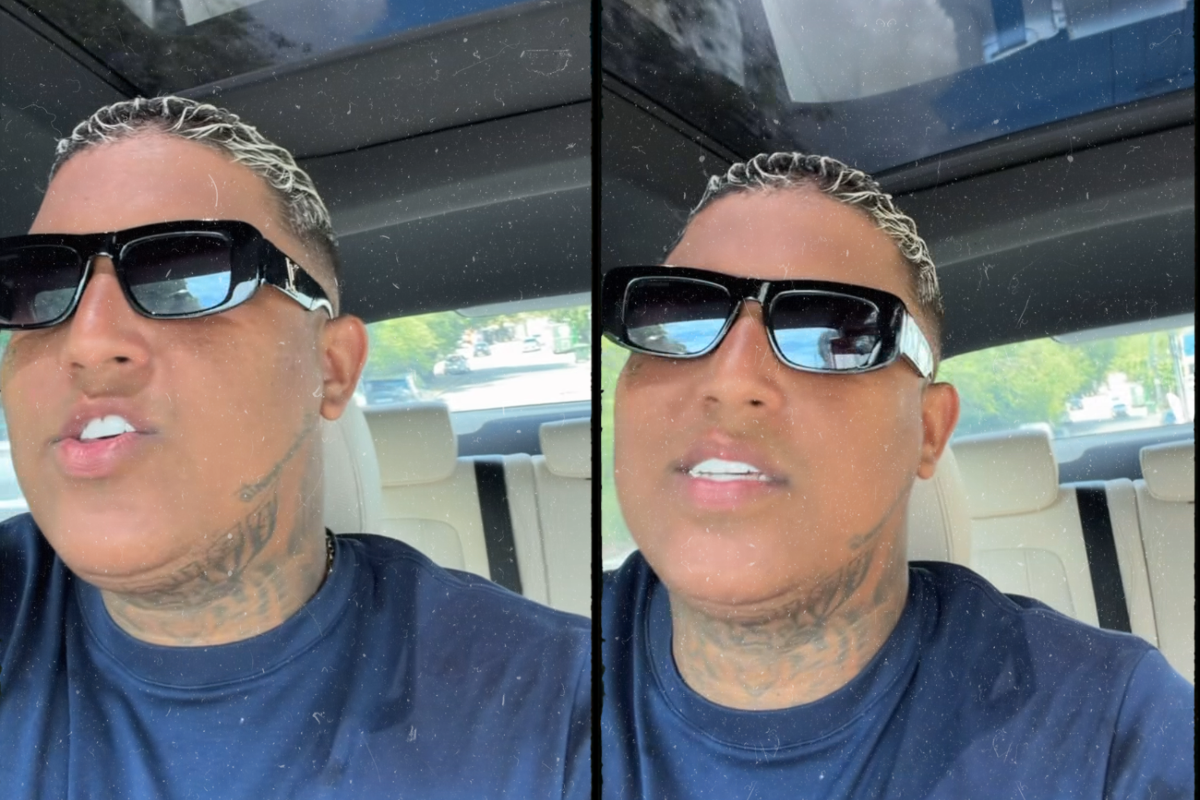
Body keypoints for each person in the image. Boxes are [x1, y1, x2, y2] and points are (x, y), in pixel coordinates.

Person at [0, 97, 590, 799]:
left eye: (186, 278)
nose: (87, 340)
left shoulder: (558, 710)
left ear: (331, 369)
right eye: (39, 289)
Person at [599, 152, 1193, 798]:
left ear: (929, 431)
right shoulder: (539, 675)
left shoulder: (1110, 731)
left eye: (834, 333)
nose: (732, 378)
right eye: (675, 318)